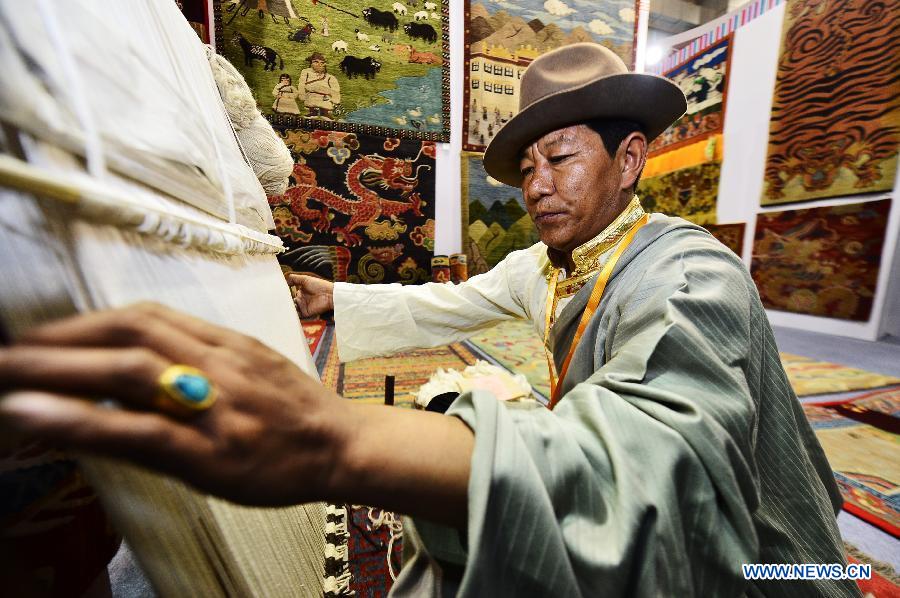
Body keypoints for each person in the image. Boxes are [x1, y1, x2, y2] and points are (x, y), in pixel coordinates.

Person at [0, 43, 858, 597]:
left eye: (559, 157)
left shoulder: (690, 273)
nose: (536, 186)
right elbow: (443, 302)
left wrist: (335, 443)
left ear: (630, 160)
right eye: (526, 168)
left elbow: (659, 462)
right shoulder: (547, 267)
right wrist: (331, 298)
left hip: (766, 557)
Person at [298, 52, 340, 119]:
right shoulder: (306, 72)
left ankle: (325, 112)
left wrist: (335, 100)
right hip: (311, 96)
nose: (319, 64)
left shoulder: (330, 77)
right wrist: (302, 95)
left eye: (322, 63)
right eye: (316, 62)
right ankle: (313, 111)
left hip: (325, 98)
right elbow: (302, 84)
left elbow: (335, 90)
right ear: (311, 63)